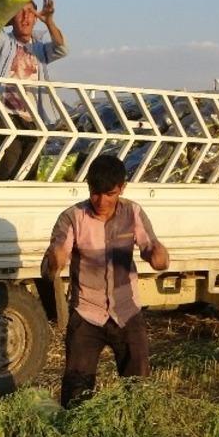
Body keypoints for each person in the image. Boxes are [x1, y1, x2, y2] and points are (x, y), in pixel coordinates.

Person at [41, 155, 169, 407]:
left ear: (122, 188)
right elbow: (50, 267)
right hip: (86, 314)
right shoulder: (72, 217)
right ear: (88, 187)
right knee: (76, 394)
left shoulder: (133, 213)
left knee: (138, 391)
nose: (101, 201)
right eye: (95, 193)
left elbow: (153, 251)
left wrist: (158, 257)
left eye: (109, 194)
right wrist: (56, 260)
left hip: (126, 312)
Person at [0, 0, 68, 180]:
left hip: (34, 117)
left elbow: (61, 48)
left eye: (30, 12)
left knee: (30, 171)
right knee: (9, 170)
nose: (25, 16)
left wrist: (49, 21)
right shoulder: (4, 42)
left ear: (36, 19)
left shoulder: (39, 48)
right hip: (6, 115)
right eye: (20, 12)